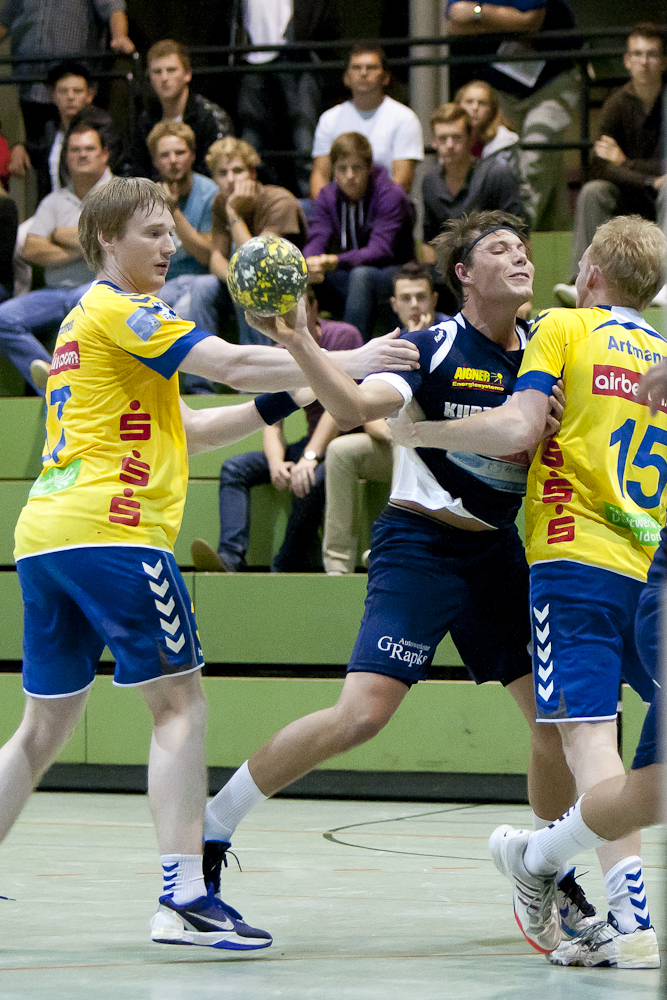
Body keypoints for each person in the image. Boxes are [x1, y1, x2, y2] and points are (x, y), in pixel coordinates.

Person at [0, 174, 420, 949]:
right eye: (152, 233)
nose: (170, 245)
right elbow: (230, 364)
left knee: (42, 728)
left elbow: (188, 431)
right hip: (113, 532)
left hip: (49, 537)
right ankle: (184, 898)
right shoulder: (121, 308)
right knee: (180, 706)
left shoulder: (88, 325)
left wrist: (298, 391)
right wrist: (347, 358)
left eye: (171, 230)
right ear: (106, 240)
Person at [199, 209, 597, 944]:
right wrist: (299, 340)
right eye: (499, 248)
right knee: (361, 716)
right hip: (419, 546)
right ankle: (212, 826)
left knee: (554, 720)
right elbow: (353, 406)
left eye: (523, 246)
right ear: (463, 275)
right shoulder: (431, 346)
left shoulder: (544, 349)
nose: (519, 256)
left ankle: (545, 870)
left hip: (497, 554)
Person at [389, 214, 667, 968]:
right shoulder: (661, 353)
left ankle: (624, 914)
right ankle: (585, 887)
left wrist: (416, 433)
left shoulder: (562, 329)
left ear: (592, 275)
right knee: (629, 753)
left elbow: (517, 424)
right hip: (649, 563)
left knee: (590, 737)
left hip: (574, 558)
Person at [190, 292, 362, 574]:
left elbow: (336, 409)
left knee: (311, 479)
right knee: (235, 468)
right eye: (281, 311)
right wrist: (275, 462)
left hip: (345, 440)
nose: (288, 318)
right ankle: (230, 558)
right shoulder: (282, 349)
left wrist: (309, 457)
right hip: (311, 442)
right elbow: (273, 419)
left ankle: (284, 566)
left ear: (314, 308)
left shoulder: (343, 337)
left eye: (295, 308)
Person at [323, 262, 447, 576]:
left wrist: (421, 338)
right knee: (340, 452)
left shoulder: (451, 336)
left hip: (446, 447)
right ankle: (337, 565)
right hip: (398, 443)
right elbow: (369, 417)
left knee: (405, 439)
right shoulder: (388, 345)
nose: (414, 305)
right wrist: (397, 434)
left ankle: (393, 547)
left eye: (421, 296)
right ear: (394, 304)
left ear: (434, 299)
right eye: (406, 298)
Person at [555, 23, 667, 306]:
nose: (644, 62)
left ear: (664, 61)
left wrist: (625, 162)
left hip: (662, 197)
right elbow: (601, 166)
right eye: (637, 54)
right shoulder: (616, 104)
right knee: (593, 190)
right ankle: (581, 280)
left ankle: (665, 283)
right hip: (629, 194)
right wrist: (647, 178)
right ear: (627, 60)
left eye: (652, 54)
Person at [184, 136, 307, 394]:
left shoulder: (278, 200)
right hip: (242, 281)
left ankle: (257, 382)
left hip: (284, 288)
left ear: (252, 172)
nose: (230, 179)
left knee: (252, 287)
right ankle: (199, 385)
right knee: (202, 286)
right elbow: (216, 258)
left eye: (238, 170)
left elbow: (260, 263)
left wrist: (234, 214)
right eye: (222, 173)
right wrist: (234, 280)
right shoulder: (220, 203)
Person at [0, 117, 113, 394]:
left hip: (100, 289)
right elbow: (31, 249)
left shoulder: (121, 194)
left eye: (89, 149)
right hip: (55, 292)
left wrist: (59, 234)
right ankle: (56, 384)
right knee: (3, 318)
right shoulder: (54, 200)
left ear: (104, 154)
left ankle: (71, 385)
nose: (82, 155)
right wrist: (91, 244)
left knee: (81, 302)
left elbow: (118, 242)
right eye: (75, 150)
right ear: (66, 157)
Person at [444, 0, 578, 231]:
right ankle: (541, 234)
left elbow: (530, 19)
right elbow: (454, 22)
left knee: (536, 158)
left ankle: (516, 235)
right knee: (514, 164)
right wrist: (508, 21)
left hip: (550, 84)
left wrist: (477, 14)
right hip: (502, 88)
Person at [0, 0, 133, 177]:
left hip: (73, 84)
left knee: (81, 152)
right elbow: (4, 19)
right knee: (38, 164)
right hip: (29, 87)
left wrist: (120, 36)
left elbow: (114, 8)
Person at [305, 131, 415, 341]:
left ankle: (352, 350)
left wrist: (334, 261)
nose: (349, 175)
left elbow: (380, 250)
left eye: (356, 168)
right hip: (347, 270)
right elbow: (317, 237)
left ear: (369, 168)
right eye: (342, 169)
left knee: (361, 276)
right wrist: (310, 263)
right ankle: (297, 349)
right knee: (301, 274)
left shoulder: (390, 194)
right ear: (333, 170)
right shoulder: (328, 196)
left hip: (394, 271)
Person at [228, 0, 340, 197]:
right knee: (251, 137)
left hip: (295, 54)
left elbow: (317, 12)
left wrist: (300, 38)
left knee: (303, 135)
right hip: (251, 57)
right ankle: (251, 199)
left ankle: (313, 202)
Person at [310, 45, 424, 198]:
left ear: (386, 77)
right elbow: (320, 175)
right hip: (340, 208)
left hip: (387, 208)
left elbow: (402, 182)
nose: (363, 73)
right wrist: (325, 209)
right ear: (346, 78)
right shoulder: (329, 119)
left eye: (371, 68)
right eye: (356, 68)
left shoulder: (404, 118)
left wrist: (373, 210)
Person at [421, 104, 527, 263]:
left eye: (456, 137)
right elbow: (429, 241)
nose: (449, 145)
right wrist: (430, 277)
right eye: (442, 138)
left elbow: (519, 236)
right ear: (434, 142)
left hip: (495, 266)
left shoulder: (496, 174)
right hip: (449, 271)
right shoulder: (430, 182)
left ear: (470, 138)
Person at [126, 39, 233, 181]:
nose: (164, 78)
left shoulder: (211, 117)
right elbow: (137, 171)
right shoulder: (145, 121)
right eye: (157, 72)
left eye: (171, 70)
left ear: (187, 74)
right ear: (150, 77)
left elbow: (221, 169)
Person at [145, 120, 218, 317]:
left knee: (200, 289)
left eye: (180, 153)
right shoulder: (145, 198)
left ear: (192, 155)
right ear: (155, 161)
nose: (173, 160)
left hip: (200, 279)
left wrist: (173, 211)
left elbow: (207, 256)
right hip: (162, 283)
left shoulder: (210, 194)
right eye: (165, 155)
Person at [7, 61, 95, 202]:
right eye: (63, 91)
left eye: (77, 91)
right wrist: (19, 147)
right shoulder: (50, 129)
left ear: (89, 95)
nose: (70, 97)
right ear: (53, 95)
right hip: (53, 206)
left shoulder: (101, 129)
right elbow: (35, 151)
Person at [454, 79, 520, 173]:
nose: (475, 108)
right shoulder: (450, 139)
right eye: (469, 102)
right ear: (459, 106)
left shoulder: (505, 141)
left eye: (482, 103)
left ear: (492, 109)